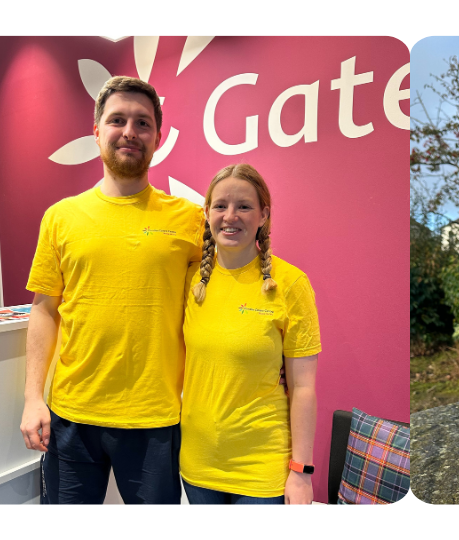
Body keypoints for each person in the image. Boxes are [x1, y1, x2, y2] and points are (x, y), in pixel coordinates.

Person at [20, 76, 204, 504]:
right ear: (96, 130)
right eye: (117, 119)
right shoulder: (61, 217)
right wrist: (33, 399)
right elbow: (44, 310)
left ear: (158, 136)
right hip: (72, 415)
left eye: (142, 123)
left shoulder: (191, 219)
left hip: (155, 418)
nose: (129, 131)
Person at [180, 163, 321, 505]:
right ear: (207, 213)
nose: (230, 216)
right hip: (198, 464)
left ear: (263, 216)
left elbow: (303, 388)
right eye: (220, 206)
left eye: (243, 206)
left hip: (262, 467)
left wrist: (300, 473)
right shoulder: (188, 280)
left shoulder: (291, 284)